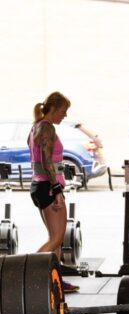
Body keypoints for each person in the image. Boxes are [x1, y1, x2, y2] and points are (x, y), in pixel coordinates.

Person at [28, 91, 79, 293]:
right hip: (48, 187)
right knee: (57, 239)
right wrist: (57, 189)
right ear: (55, 109)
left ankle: (55, 281)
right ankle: (26, 274)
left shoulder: (36, 126)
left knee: (54, 239)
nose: (65, 115)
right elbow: (46, 159)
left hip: (40, 186)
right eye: (63, 111)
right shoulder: (47, 127)